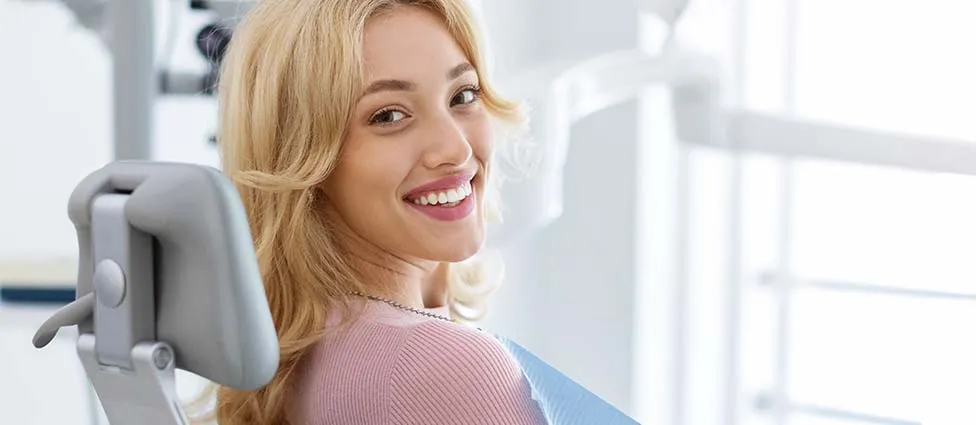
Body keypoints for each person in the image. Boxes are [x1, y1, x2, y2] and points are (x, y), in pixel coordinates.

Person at [196, 0, 546, 424]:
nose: (456, 149)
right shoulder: (449, 370)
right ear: (304, 160)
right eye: (389, 116)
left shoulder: (297, 351)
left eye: (463, 95)